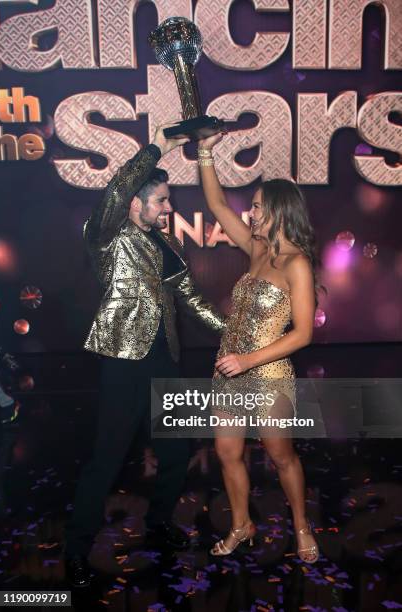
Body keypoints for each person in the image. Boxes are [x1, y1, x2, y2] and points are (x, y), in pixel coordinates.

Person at [64, 124, 225, 587]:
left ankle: (158, 524)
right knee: (107, 459)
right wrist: (158, 146)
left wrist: (234, 333)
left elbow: (191, 299)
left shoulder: (169, 244)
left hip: (164, 361)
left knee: (177, 452)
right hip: (123, 362)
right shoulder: (107, 236)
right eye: (162, 201)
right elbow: (115, 190)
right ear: (136, 203)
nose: (169, 208)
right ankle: (76, 549)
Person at [197, 132, 320, 563]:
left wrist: (248, 360)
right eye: (250, 206)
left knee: (281, 455)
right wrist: (205, 152)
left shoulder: (296, 263)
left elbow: (303, 333)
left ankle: (302, 526)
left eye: (256, 206)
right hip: (228, 371)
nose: (249, 213)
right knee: (227, 452)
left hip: (267, 375)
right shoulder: (256, 250)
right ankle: (241, 525)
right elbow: (215, 206)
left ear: (278, 210)